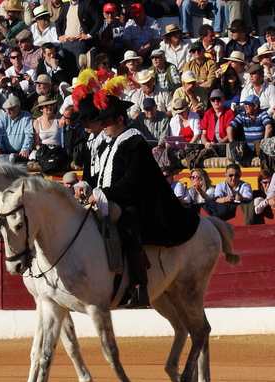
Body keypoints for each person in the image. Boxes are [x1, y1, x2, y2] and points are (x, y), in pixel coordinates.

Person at [87, 94, 199, 309]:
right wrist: (87, 187)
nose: (102, 126)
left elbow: (132, 179)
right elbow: (100, 175)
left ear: (120, 119)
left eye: (106, 121)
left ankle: (140, 286)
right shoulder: (109, 143)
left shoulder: (134, 141)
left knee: (128, 230)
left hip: (132, 201)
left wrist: (104, 194)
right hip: (109, 198)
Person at [55, 0, 103, 77]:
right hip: (67, 43)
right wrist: (59, 35)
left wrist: (89, 35)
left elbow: (99, 20)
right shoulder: (66, 6)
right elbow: (58, 22)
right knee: (69, 71)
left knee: (80, 70)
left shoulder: (87, 4)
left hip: (79, 43)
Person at [0, 95, 34, 163]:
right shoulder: (2, 117)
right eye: (6, 109)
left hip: (21, 153)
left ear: (18, 108)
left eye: (11, 109)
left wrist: (25, 148)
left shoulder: (26, 116)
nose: (8, 112)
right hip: (5, 153)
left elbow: (29, 134)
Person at [132, 97, 170, 165]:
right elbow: (136, 132)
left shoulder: (163, 116)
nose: (149, 111)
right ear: (143, 110)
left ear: (156, 107)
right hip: (144, 147)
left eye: (151, 108)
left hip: (160, 147)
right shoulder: (140, 117)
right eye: (147, 109)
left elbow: (164, 134)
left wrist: (159, 146)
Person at [200, 89, 235, 157]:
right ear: (210, 101)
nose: (215, 101)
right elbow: (203, 134)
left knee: (222, 149)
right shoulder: (207, 114)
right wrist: (206, 144)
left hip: (224, 144)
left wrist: (218, 144)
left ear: (224, 100)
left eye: (218, 99)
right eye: (213, 99)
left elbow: (230, 134)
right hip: (210, 145)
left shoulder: (230, 113)